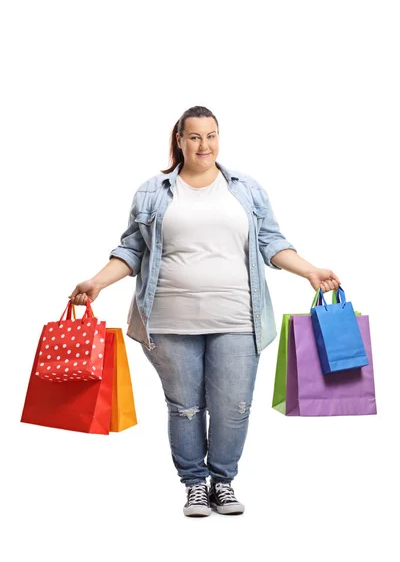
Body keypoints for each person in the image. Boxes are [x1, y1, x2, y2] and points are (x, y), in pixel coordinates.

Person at [69, 105, 340, 517]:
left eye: (211, 135)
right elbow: (132, 251)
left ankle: (223, 483)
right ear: (179, 140)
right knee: (185, 406)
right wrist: (96, 282)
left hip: (238, 318)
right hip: (168, 320)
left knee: (234, 406)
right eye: (194, 136)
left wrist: (310, 270)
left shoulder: (245, 189)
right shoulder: (153, 191)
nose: (204, 145)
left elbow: (271, 242)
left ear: (219, 138)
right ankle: (195, 484)